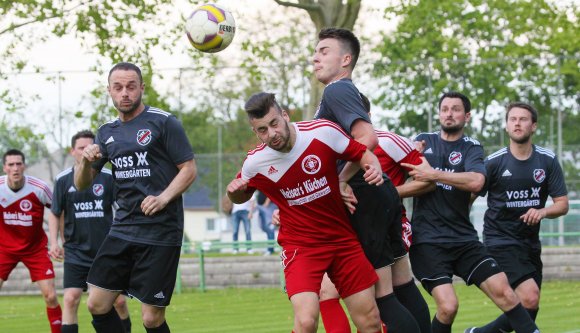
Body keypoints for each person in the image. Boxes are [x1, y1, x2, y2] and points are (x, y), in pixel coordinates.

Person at [227, 92, 384, 333]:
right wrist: (233, 193)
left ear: (285, 116)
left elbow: (363, 154)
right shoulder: (255, 163)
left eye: (274, 124)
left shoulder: (322, 132)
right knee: (306, 321)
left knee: (370, 320)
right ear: (255, 132)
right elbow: (241, 195)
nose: (271, 134)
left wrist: (372, 167)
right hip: (301, 247)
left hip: (342, 239)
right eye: (262, 130)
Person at [402, 91, 540, 333]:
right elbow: (402, 173)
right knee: (448, 307)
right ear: (438, 113)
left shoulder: (472, 147)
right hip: (428, 242)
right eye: (444, 109)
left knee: (506, 293)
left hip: (464, 240)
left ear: (466, 116)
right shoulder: (422, 141)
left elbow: (476, 182)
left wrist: (434, 174)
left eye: (455, 109)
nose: (449, 113)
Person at [74, 62, 197, 333]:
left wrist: (163, 198)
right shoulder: (106, 132)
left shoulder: (164, 122)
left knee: (151, 318)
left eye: (131, 86)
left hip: (161, 231)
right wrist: (84, 162)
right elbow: (81, 184)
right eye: (118, 87)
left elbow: (189, 169)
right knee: (96, 303)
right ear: (109, 91)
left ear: (142, 87)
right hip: (123, 228)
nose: (125, 93)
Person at [312, 27, 420, 332]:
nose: (315, 58)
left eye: (323, 51)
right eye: (315, 51)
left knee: (382, 297)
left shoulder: (337, 90)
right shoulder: (343, 91)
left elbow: (366, 138)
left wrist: (342, 179)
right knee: (401, 285)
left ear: (346, 59)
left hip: (364, 198)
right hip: (378, 194)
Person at [317, 93, 434, 333]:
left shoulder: (385, 140)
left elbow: (428, 176)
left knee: (381, 296)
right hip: (368, 215)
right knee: (400, 287)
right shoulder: (335, 144)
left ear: (365, 117)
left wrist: (386, 190)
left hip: (378, 217)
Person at [465, 102, 568, 333]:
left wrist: (542, 211)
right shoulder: (493, 162)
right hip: (499, 241)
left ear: (534, 126)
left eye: (523, 119)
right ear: (506, 126)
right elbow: (468, 199)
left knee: (529, 306)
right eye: (513, 119)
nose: (517, 123)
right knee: (529, 296)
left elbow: (562, 205)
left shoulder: (547, 160)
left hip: (530, 243)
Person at [48, 130, 132, 333]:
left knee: (118, 302)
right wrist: (54, 242)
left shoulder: (108, 177)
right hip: (76, 251)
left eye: (90, 147)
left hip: (105, 252)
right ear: (72, 152)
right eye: (81, 148)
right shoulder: (63, 180)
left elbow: (122, 209)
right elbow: (55, 212)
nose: (86, 151)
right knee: (70, 299)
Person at [0, 149, 62, 333]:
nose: (15, 168)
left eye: (19, 164)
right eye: (11, 164)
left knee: (51, 296)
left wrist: (56, 241)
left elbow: (58, 210)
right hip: (4, 249)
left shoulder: (39, 188)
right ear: (5, 168)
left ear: (24, 166)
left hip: (35, 249)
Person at [256, 190, 277, 255]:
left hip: (268, 206)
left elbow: (270, 191)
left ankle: (270, 250)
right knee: (265, 228)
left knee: (270, 228)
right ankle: (270, 248)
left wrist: (267, 201)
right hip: (262, 207)